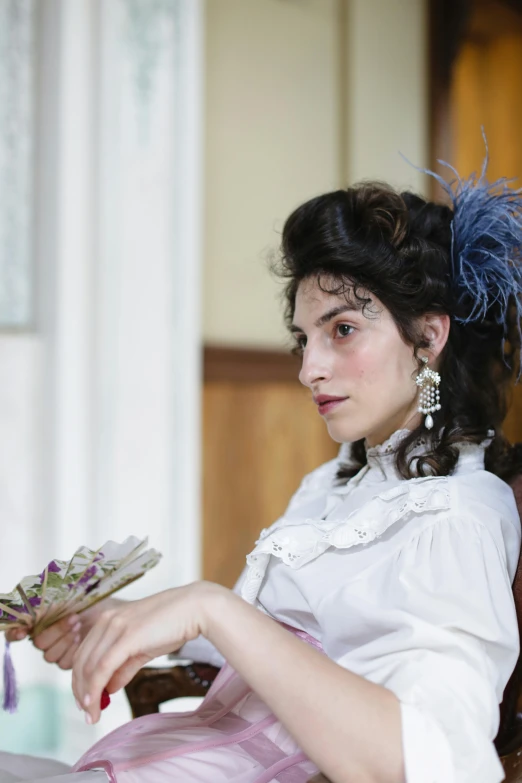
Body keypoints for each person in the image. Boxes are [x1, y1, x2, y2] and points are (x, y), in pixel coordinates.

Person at [1, 166, 522, 783]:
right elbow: (302, 642)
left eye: (343, 330)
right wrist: (125, 620)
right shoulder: (338, 486)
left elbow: (427, 763)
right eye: (304, 339)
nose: (309, 369)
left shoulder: (455, 517)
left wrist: (210, 606)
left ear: (428, 336)